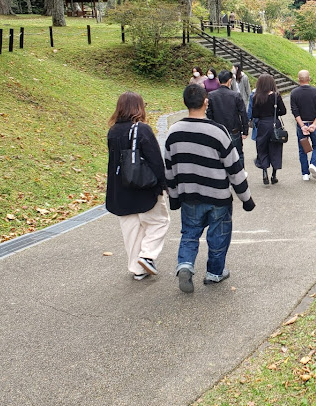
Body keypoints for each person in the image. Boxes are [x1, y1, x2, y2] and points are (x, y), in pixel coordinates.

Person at [164, 84, 255, 294]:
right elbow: (234, 167)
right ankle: (214, 273)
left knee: (189, 233)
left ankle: (185, 265)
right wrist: (246, 198)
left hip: (189, 195)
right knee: (218, 235)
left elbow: (169, 169)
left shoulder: (173, 132)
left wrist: (174, 197)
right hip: (218, 196)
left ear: (185, 102)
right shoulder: (217, 131)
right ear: (206, 102)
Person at [105, 92, 170, 281]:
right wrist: (163, 184)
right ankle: (147, 255)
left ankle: (138, 269)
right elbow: (155, 160)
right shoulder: (142, 130)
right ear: (139, 107)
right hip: (145, 187)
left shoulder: (113, 131)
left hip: (121, 190)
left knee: (131, 230)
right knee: (159, 222)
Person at [251, 73, 286, 185]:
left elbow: (254, 114)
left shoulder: (256, 96)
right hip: (274, 123)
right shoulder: (276, 96)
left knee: (262, 148)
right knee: (275, 148)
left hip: (262, 124)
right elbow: (283, 111)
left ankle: (264, 173)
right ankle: (274, 175)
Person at [207, 70, 249, 165]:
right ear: (230, 81)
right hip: (234, 131)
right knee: (238, 155)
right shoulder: (236, 95)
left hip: (218, 131)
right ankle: (241, 177)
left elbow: (209, 114)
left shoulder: (211, 95)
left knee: (219, 156)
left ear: (218, 80)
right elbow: (243, 114)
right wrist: (245, 131)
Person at [290, 70, 316, 181]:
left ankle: (305, 173)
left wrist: (302, 125)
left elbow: (295, 111)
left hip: (302, 124)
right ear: (309, 78)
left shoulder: (294, 93)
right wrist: (314, 124)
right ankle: (313, 164)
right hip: (315, 124)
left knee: (302, 149)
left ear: (298, 79)